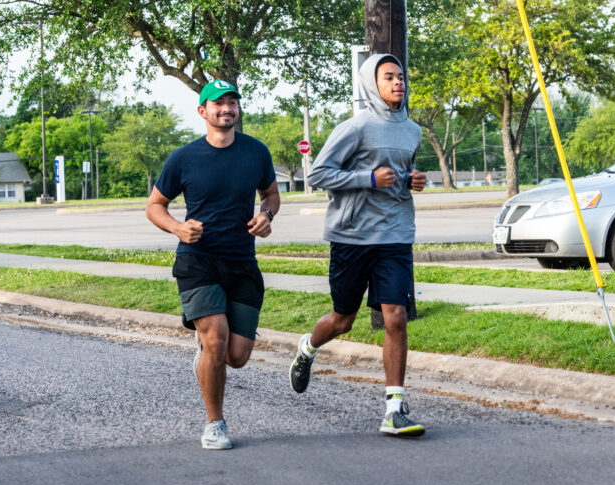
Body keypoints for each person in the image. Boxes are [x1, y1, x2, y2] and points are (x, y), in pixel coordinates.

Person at [289, 54, 427, 436]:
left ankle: (394, 409)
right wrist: (367, 178)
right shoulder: (356, 127)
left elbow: (401, 174)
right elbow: (318, 173)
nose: (398, 83)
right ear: (372, 84)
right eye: (389, 77)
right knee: (342, 321)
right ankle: (307, 349)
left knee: (396, 316)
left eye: (401, 77)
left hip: (396, 233)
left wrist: (414, 179)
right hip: (352, 236)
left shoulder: (412, 131)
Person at [146, 79, 279, 450]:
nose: (226, 108)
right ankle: (214, 423)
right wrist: (177, 227)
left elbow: (271, 193)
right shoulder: (183, 158)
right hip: (198, 260)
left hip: (241, 262)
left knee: (236, 356)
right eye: (217, 103)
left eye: (232, 102)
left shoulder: (256, 152)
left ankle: (206, 354)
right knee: (217, 341)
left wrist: (267, 214)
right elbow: (154, 206)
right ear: (202, 111)